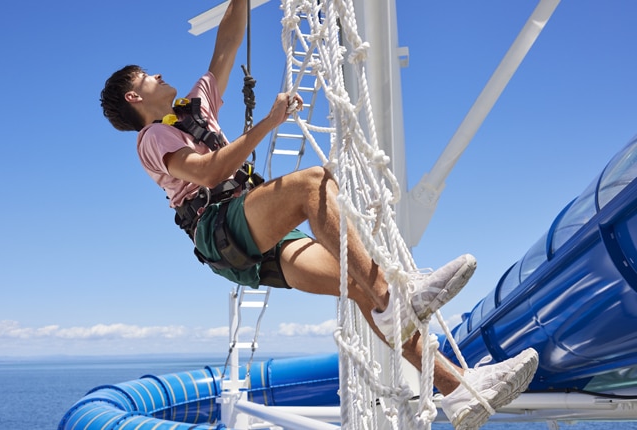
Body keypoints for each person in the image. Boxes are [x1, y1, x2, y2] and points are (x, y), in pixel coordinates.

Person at [98, 1, 537, 429]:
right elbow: (210, 171)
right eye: (147, 76)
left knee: (359, 286)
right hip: (220, 228)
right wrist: (269, 123)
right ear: (135, 96)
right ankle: (397, 298)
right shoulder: (152, 138)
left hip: (250, 235)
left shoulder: (196, 108)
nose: (158, 74)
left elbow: (227, 45)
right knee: (313, 184)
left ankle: (456, 390)